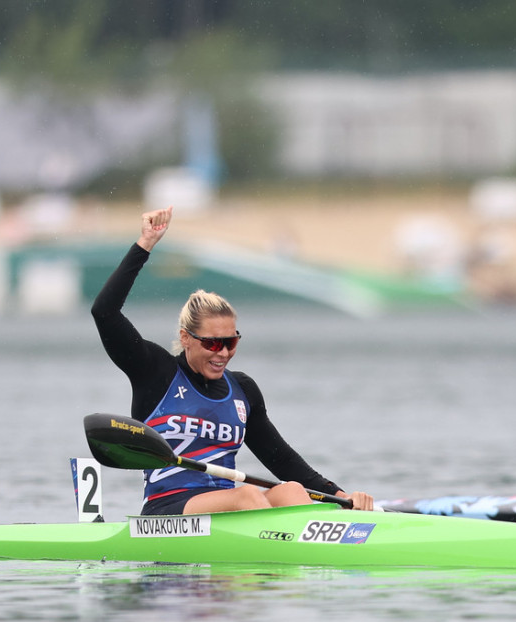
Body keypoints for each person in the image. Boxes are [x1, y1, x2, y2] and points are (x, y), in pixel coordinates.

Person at [92, 206, 374, 515]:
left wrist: (341, 496)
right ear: (186, 338)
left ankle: (331, 547)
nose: (223, 352)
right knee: (249, 496)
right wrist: (145, 244)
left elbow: (281, 460)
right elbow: (105, 313)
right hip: (168, 508)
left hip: (229, 509)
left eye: (231, 342)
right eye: (212, 343)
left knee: (291, 490)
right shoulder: (156, 372)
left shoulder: (242, 390)